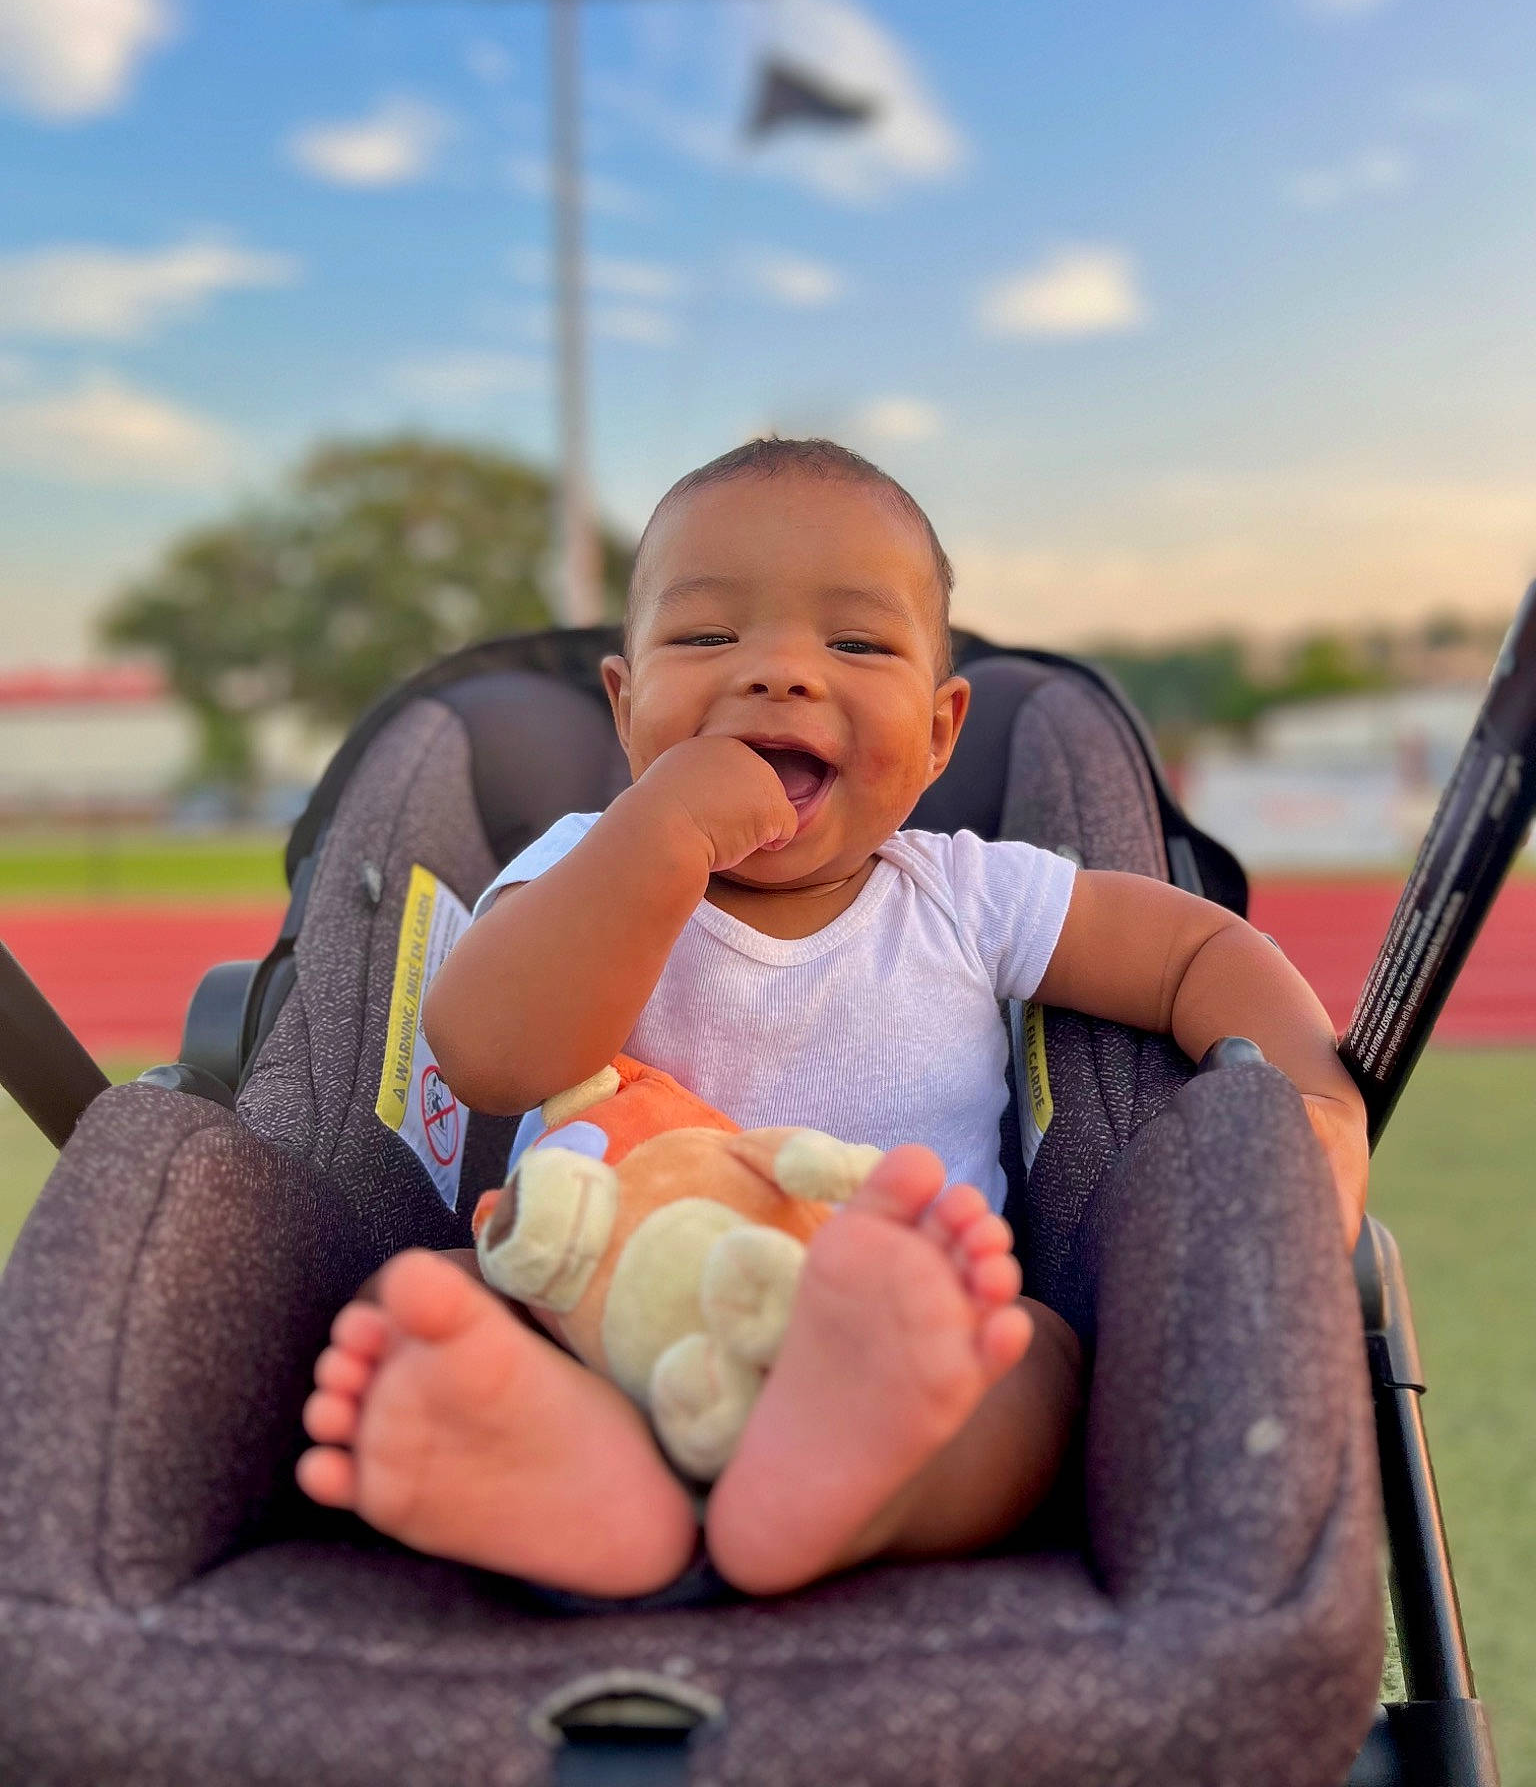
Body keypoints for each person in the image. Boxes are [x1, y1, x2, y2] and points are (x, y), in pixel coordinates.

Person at [296, 438, 1368, 1602]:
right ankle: (588, 1488)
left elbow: (1194, 949)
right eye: (709, 637)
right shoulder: (576, 866)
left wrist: (1316, 1094)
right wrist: (660, 838)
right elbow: (492, 1054)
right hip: (608, 1312)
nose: (780, 673)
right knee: (412, 1304)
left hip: (888, 1323)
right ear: (624, 704)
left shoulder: (965, 893)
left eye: (855, 642)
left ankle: (854, 1481)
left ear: (943, 730)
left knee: (1038, 1360)